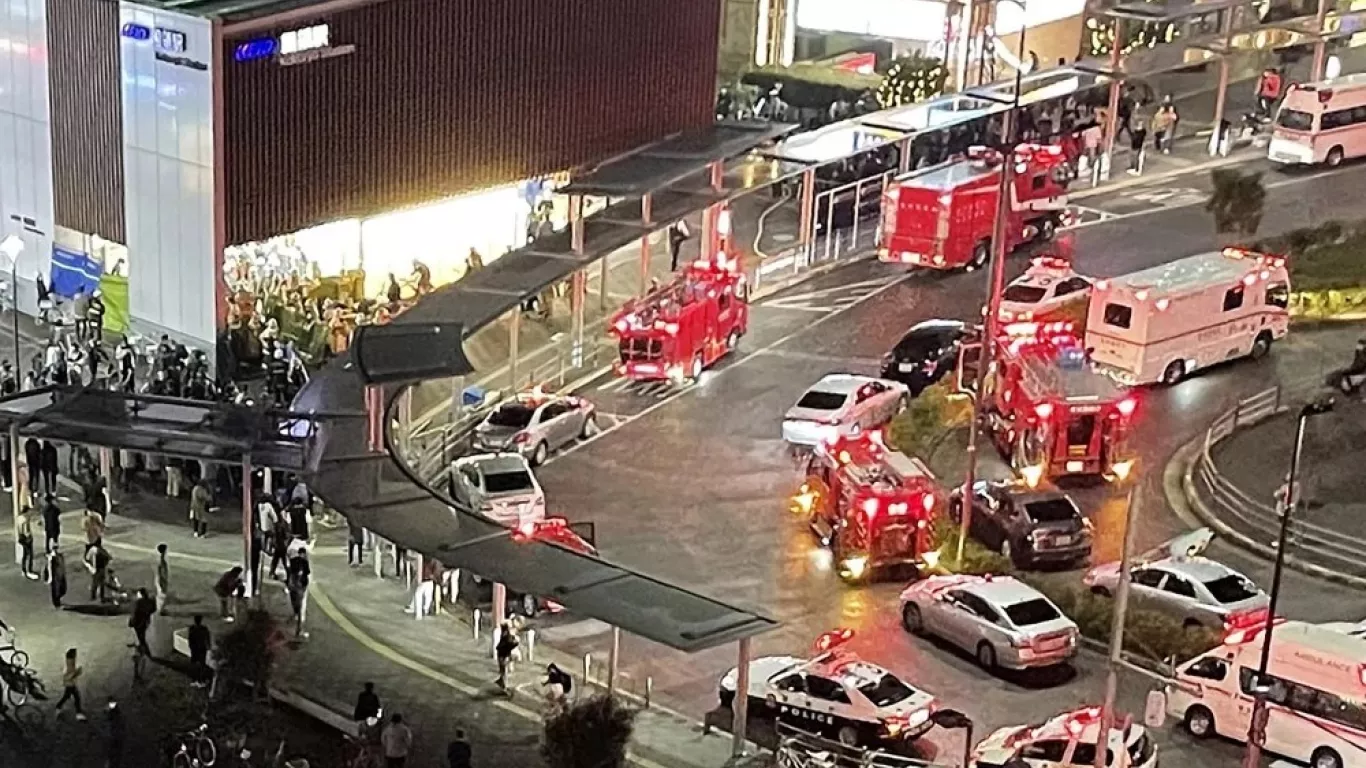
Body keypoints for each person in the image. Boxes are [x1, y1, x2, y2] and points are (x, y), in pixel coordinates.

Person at [54, 648, 86, 720]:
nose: (75, 656)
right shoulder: (69, 665)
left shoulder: (70, 663)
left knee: (67, 696)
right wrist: (77, 672)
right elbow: (68, 676)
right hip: (70, 684)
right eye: (75, 655)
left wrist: (77, 672)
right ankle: (79, 713)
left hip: (71, 684)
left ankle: (58, 707)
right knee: (76, 698)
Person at [286, 547, 310, 638]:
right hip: (301, 586)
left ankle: (295, 615)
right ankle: (299, 630)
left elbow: (289, 571)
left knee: (295, 603)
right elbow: (307, 572)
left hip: (293, 585)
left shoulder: (292, 561)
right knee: (301, 608)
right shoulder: (304, 562)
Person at [129, 588, 155, 660]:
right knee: (141, 636)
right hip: (145, 622)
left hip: (138, 622)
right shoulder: (150, 601)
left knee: (141, 638)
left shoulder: (138, 602)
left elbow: (134, 613)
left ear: (141, 594)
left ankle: (144, 653)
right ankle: (141, 650)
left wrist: (131, 622)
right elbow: (153, 610)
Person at [187, 615, 212, 687]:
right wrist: (208, 648)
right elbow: (207, 639)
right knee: (201, 664)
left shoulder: (192, 628)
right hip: (201, 649)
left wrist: (191, 646)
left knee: (195, 664)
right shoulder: (204, 629)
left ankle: (195, 679)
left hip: (195, 649)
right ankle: (201, 680)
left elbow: (190, 639)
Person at [495, 621, 519, 692]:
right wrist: (516, 642)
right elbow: (510, 644)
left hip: (502, 654)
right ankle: (504, 686)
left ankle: (502, 682)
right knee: (504, 671)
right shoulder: (507, 636)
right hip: (504, 655)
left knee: (503, 670)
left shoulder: (504, 635)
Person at [16, 504, 35, 579]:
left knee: (24, 554)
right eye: (29, 511)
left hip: (21, 538)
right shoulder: (26, 518)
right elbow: (26, 529)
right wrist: (29, 537)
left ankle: (23, 570)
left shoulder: (19, 518)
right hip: (26, 538)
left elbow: (19, 529)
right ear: (27, 511)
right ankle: (29, 570)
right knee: (30, 555)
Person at [106, 697, 126, 768]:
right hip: (115, 736)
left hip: (115, 736)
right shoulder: (115, 714)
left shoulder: (115, 714)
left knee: (114, 753)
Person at [155, 543, 171, 614]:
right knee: (162, 594)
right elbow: (160, 572)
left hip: (161, 579)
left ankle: (160, 609)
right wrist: (161, 581)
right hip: (161, 579)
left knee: (161, 594)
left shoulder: (161, 559)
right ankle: (160, 610)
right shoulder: (161, 561)